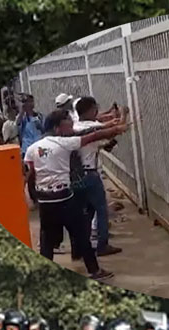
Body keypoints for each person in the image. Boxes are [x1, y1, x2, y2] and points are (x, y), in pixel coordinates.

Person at [24, 109, 127, 280]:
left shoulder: (32, 148)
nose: (71, 127)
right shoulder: (65, 143)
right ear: (57, 128)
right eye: (68, 123)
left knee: (47, 239)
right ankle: (94, 271)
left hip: (46, 200)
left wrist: (35, 196)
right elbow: (92, 136)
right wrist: (115, 130)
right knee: (81, 235)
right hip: (64, 197)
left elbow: (30, 173)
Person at [71, 96, 125, 257]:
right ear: (90, 110)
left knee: (86, 213)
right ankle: (102, 245)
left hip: (77, 175)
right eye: (95, 108)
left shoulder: (74, 126)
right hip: (91, 174)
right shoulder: (94, 127)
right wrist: (124, 114)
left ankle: (81, 246)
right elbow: (116, 132)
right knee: (101, 210)